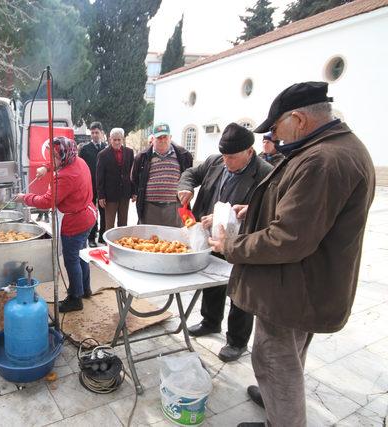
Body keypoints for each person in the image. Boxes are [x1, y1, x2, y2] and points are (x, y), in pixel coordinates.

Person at [207, 82, 375, 427]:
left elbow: (288, 238)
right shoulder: (335, 147)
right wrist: (252, 208)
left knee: (275, 362)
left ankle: (282, 415)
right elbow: (303, 212)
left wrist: (230, 246)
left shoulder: (322, 160)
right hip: (307, 284)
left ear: (297, 118)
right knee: (288, 358)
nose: (274, 135)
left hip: (295, 290)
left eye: (275, 127)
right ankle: (275, 407)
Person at [177, 123, 273, 363]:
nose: (227, 161)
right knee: (212, 282)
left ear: (249, 152)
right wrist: (186, 188)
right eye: (224, 156)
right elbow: (190, 174)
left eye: (232, 157)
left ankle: (237, 341)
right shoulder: (215, 162)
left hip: (241, 241)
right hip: (212, 238)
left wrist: (225, 216)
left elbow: (270, 211)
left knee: (240, 291)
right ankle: (210, 321)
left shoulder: (266, 173)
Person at [15, 136, 97, 313]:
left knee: (71, 259)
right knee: (82, 255)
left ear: (63, 155)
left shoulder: (65, 176)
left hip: (75, 222)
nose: (52, 160)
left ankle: (75, 298)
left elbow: (47, 201)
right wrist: (46, 167)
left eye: (53, 157)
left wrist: (25, 198)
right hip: (88, 215)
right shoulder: (78, 161)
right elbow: (60, 162)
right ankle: (85, 289)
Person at [131, 122, 192, 226]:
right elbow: (134, 178)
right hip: (150, 207)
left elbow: (189, 176)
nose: (163, 140)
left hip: (175, 207)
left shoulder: (183, 155)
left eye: (165, 137)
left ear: (170, 137)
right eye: (159, 138)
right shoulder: (142, 157)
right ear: (153, 139)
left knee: (173, 239)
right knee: (149, 239)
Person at [96, 127, 134, 232]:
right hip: (110, 195)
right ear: (110, 139)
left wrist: (134, 192)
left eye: (119, 139)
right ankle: (110, 246)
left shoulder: (129, 152)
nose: (117, 142)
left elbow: (133, 173)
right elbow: (99, 176)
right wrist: (101, 195)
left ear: (122, 139)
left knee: (123, 223)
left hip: (125, 193)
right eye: (114, 139)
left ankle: (122, 244)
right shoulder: (103, 154)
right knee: (109, 224)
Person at [79, 121, 107, 247]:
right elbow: (80, 167)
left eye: (97, 132)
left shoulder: (106, 148)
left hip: (103, 186)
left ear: (101, 133)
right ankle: (91, 237)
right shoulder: (85, 149)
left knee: (104, 211)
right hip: (89, 185)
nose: (95, 135)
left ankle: (102, 236)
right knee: (92, 211)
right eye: (92, 133)